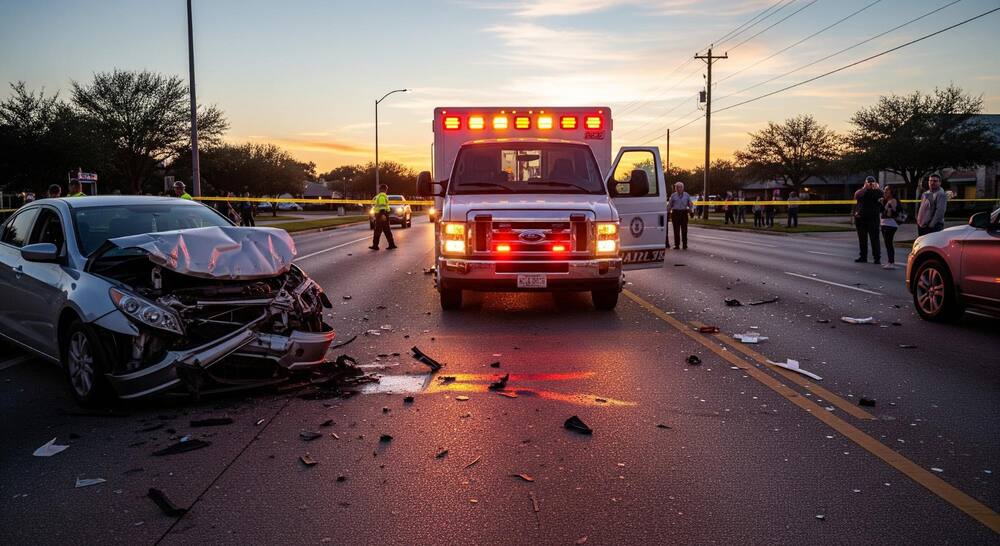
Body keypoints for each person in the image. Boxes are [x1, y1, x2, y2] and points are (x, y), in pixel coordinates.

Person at [853, 176, 883, 263]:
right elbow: (856, 195)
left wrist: (876, 188)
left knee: (875, 239)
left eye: (872, 183)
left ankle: (877, 258)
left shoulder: (878, 192)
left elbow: (883, 196)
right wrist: (865, 188)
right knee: (862, 239)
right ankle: (863, 256)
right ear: (865, 183)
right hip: (861, 219)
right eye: (869, 182)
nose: (870, 184)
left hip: (873, 218)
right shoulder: (862, 191)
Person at [667, 182, 694, 249]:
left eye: (679, 187)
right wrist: (667, 213)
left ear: (682, 188)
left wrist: (691, 211)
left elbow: (690, 204)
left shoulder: (686, 195)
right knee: (676, 230)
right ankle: (677, 245)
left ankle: (685, 244)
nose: (677, 188)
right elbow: (669, 205)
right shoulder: (673, 195)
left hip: (684, 213)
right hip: (675, 213)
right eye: (676, 187)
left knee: (684, 230)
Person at [369, 184, 396, 250]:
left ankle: (375, 246)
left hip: (381, 215)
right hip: (384, 215)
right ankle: (392, 244)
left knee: (377, 231)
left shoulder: (381, 196)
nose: (386, 190)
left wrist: (382, 215)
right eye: (386, 189)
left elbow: (382, 206)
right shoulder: (384, 196)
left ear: (381, 189)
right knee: (387, 231)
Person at [880, 185, 900, 269]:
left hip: (890, 224)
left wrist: (884, 205)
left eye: (887, 190)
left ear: (892, 191)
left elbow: (889, 214)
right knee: (887, 244)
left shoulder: (893, 201)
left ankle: (891, 262)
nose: (885, 191)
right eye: (884, 190)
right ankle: (889, 261)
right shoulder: (887, 200)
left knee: (889, 243)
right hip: (884, 224)